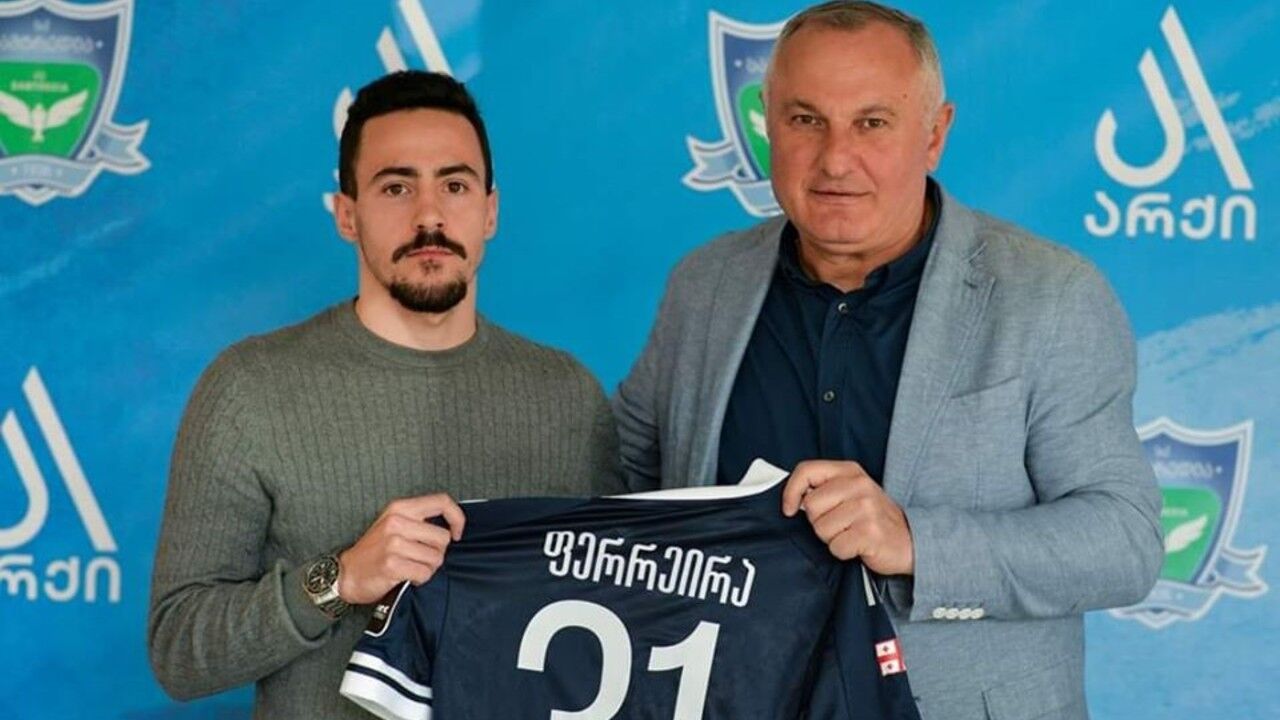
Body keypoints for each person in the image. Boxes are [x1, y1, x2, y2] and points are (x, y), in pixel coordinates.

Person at [613, 2, 1163, 718]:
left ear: (934, 135)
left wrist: (915, 541)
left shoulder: (1051, 296)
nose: (836, 159)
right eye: (805, 120)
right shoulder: (705, 284)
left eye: (872, 123)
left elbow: (1124, 540)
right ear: (767, 124)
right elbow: (619, 478)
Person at [148, 70, 621, 719]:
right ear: (347, 215)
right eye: (396, 187)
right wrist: (340, 579)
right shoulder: (248, 389)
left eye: (454, 185)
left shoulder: (569, 398)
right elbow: (178, 650)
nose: (429, 216)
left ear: (490, 211)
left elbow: (619, 623)